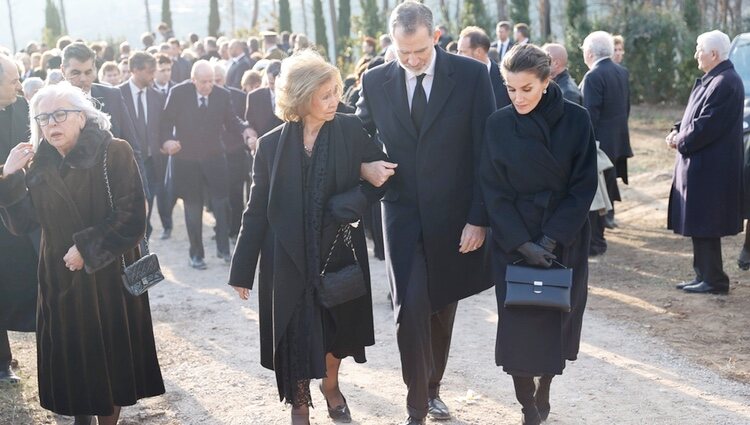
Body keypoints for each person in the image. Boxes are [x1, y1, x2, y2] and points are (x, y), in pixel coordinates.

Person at [228, 50, 389, 425]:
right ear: (301, 97)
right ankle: (299, 404)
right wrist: (241, 270)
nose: (335, 100)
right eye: (326, 94)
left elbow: (382, 177)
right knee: (295, 330)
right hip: (287, 257)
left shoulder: (350, 129)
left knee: (335, 327)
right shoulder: (270, 145)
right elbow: (256, 210)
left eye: (336, 91)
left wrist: (348, 202)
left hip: (337, 250)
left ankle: (330, 386)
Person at [356, 2, 496, 423]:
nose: (412, 60)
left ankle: (433, 389)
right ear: (392, 43)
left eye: (419, 50)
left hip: (455, 218)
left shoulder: (471, 75)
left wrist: (480, 217)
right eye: (403, 52)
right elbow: (360, 133)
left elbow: (485, 150)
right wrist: (365, 165)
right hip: (400, 215)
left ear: (435, 37)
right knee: (409, 307)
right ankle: (416, 403)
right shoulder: (375, 79)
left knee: (440, 307)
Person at [0, 81, 164, 425]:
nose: (52, 124)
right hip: (58, 276)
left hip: (105, 275)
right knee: (71, 359)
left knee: (108, 362)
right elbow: (22, 224)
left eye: (60, 114)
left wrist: (86, 250)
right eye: (43, 118)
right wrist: (10, 175)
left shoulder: (113, 151)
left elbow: (132, 218)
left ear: (83, 117)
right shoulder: (39, 164)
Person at [480, 44, 597, 425]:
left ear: (547, 81)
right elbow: (492, 188)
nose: (518, 98)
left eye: (526, 89)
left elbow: (583, 186)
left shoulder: (577, 120)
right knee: (517, 325)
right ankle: (527, 405)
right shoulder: (498, 123)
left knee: (557, 320)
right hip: (513, 241)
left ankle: (545, 386)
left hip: (563, 238)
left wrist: (549, 240)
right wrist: (521, 242)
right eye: (511, 89)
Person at [667, 30, 743, 295]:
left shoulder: (725, 82)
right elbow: (693, 115)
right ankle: (704, 275)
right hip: (702, 166)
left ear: (713, 54)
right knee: (700, 223)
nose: (695, 54)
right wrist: (677, 130)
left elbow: (706, 125)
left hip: (711, 169)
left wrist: (681, 140)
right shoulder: (713, 79)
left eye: (699, 49)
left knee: (707, 224)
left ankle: (714, 279)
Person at [159, 60, 251, 269]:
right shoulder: (178, 93)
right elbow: (165, 122)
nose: (208, 86)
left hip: (214, 157)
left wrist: (246, 131)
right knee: (192, 207)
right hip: (186, 159)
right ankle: (196, 254)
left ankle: (224, 248)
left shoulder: (221, 95)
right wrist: (166, 141)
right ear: (193, 80)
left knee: (221, 202)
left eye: (211, 81)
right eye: (203, 82)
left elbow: (232, 121)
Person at [60, 42, 148, 192]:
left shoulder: (112, 96)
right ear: (63, 71)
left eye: (88, 72)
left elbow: (132, 146)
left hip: (114, 187)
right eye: (76, 73)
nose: (83, 79)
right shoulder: (52, 103)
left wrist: (143, 191)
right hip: (73, 192)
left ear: (95, 69)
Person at [0, 54, 39, 384]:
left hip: (22, 213)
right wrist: (6, 172)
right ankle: (2, 361)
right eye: (13, 79)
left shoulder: (21, 109)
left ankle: (51, 355)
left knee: (32, 283)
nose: (18, 83)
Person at [579, 31, 631, 255]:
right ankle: (599, 239)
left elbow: (589, 116)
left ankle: (597, 241)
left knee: (598, 195)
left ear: (589, 53)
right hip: (617, 141)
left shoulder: (593, 76)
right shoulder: (621, 71)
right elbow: (626, 108)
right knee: (606, 191)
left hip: (600, 144)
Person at [119, 52, 168, 240]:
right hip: (128, 165)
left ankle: (143, 244)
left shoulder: (157, 96)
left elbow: (162, 127)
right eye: (149, 71)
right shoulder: (118, 95)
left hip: (153, 163)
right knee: (133, 211)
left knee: (147, 208)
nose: (153, 76)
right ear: (135, 70)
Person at [457, 26, 511, 109]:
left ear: (478, 51)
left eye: (462, 51)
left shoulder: (506, 79)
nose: (457, 55)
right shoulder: (456, 80)